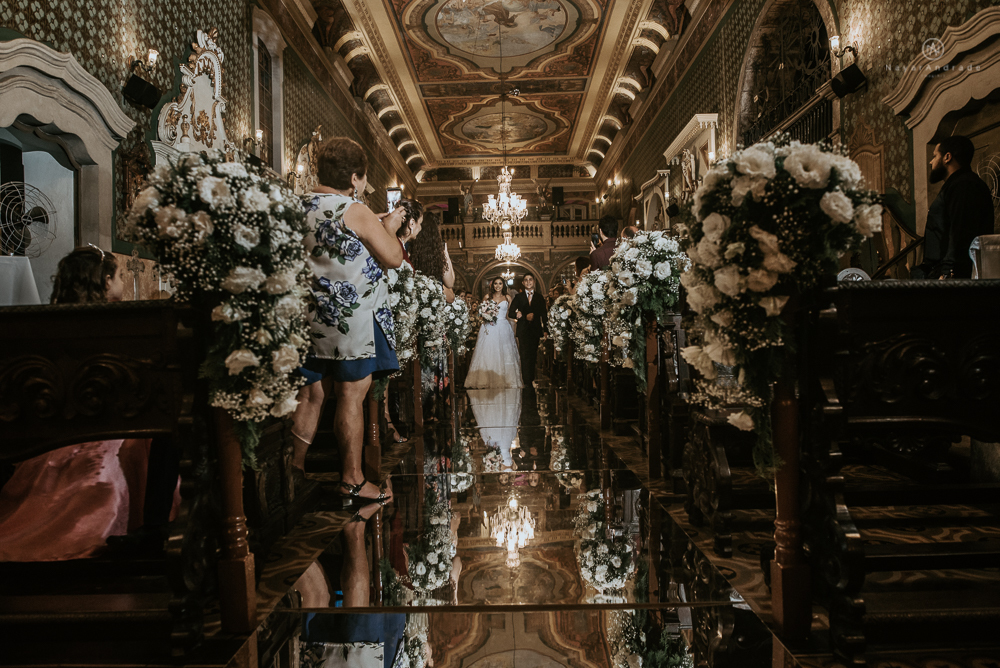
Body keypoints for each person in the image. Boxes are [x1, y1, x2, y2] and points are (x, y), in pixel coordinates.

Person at [0, 246, 179, 561]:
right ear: (107, 282)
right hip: (110, 425)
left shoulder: (41, 325)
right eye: (121, 276)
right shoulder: (122, 327)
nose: (122, 282)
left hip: (49, 430)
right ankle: (146, 526)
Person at [290, 137, 404, 508]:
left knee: (311, 393)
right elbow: (393, 257)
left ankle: (292, 470)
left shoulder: (293, 206)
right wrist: (386, 227)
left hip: (307, 317)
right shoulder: (352, 210)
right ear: (355, 178)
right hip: (347, 321)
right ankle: (352, 479)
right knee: (350, 396)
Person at [913, 135, 995, 279]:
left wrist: (948, 272)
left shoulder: (964, 185)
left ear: (947, 157)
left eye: (935, 156)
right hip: (942, 271)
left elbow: (960, 232)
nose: (931, 162)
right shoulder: (957, 185)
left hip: (954, 275)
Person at [465, 277, 522, 389]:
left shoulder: (507, 297)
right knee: (489, 351)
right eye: (495, 283)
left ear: (503, 285)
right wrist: (487, 316)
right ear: (492, 285)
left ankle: (505, 379)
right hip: (490, 326)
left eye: (500, 283)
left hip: (503, 326)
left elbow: (509, 314)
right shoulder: (487, 297)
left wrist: (517, 314)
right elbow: (481, 312)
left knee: (504, 352)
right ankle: (486, 378)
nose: (497, 286)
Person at [509, 273, 548, 386]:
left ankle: (531, 378)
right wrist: (518, 314)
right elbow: (511, 312)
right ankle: (526, 380)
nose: (528, 282)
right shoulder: (519, 297)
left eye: (530, 280)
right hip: (523, 330)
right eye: (526, 280)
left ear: (534, 282)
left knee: (533, 355)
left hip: (535, 330)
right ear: (523, 282)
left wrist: (546, 330)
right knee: (524, 354)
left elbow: (544, 315)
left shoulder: (539, 297)